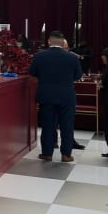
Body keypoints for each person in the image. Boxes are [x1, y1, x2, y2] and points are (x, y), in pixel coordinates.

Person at [29, 30, 82, 162]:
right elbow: (78, 75)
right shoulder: (72, 57)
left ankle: (47, 154)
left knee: (47, 126)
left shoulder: (39, 56)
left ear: (49, 41)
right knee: (67, 126)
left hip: (46, 96)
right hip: (67, 96)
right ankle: (66, 154)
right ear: (62, 42)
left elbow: (33, 72)